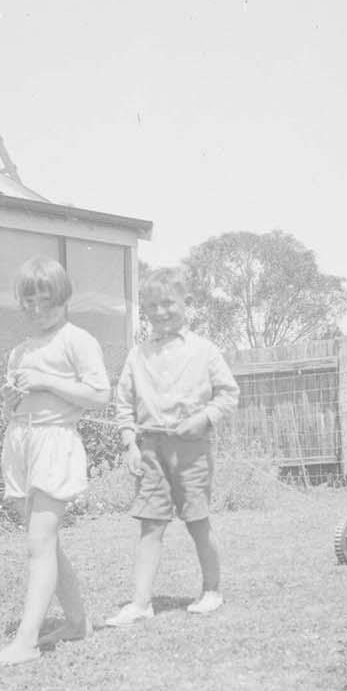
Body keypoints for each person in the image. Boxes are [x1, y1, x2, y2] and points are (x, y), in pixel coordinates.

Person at [0, 257, 111, 666]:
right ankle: (76, 623)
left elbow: (99, 394)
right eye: (29, 302)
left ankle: (26, 641)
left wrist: (46, 381)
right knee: (47, 543)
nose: (37, 309)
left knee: (38, 542)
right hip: (22, 442)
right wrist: (10, 401)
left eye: (46, 301)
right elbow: (16, 406)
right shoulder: (21, 351)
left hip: (56, 443)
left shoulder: (77, 339)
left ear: (63, 299)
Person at [105, 267, 240, 626]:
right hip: (150, 449)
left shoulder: (205, 350)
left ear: (187, 303)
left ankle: (212, 590)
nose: (161, 312)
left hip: (192, 448)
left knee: (197, 519)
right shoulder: (138, 355)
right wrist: (129, 444)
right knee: (150, 524)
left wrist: (204, 418)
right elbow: (123, 405)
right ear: (144, 311)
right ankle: (140, 603)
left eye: (168, 303)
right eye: (152, 305)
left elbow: (229, 394)